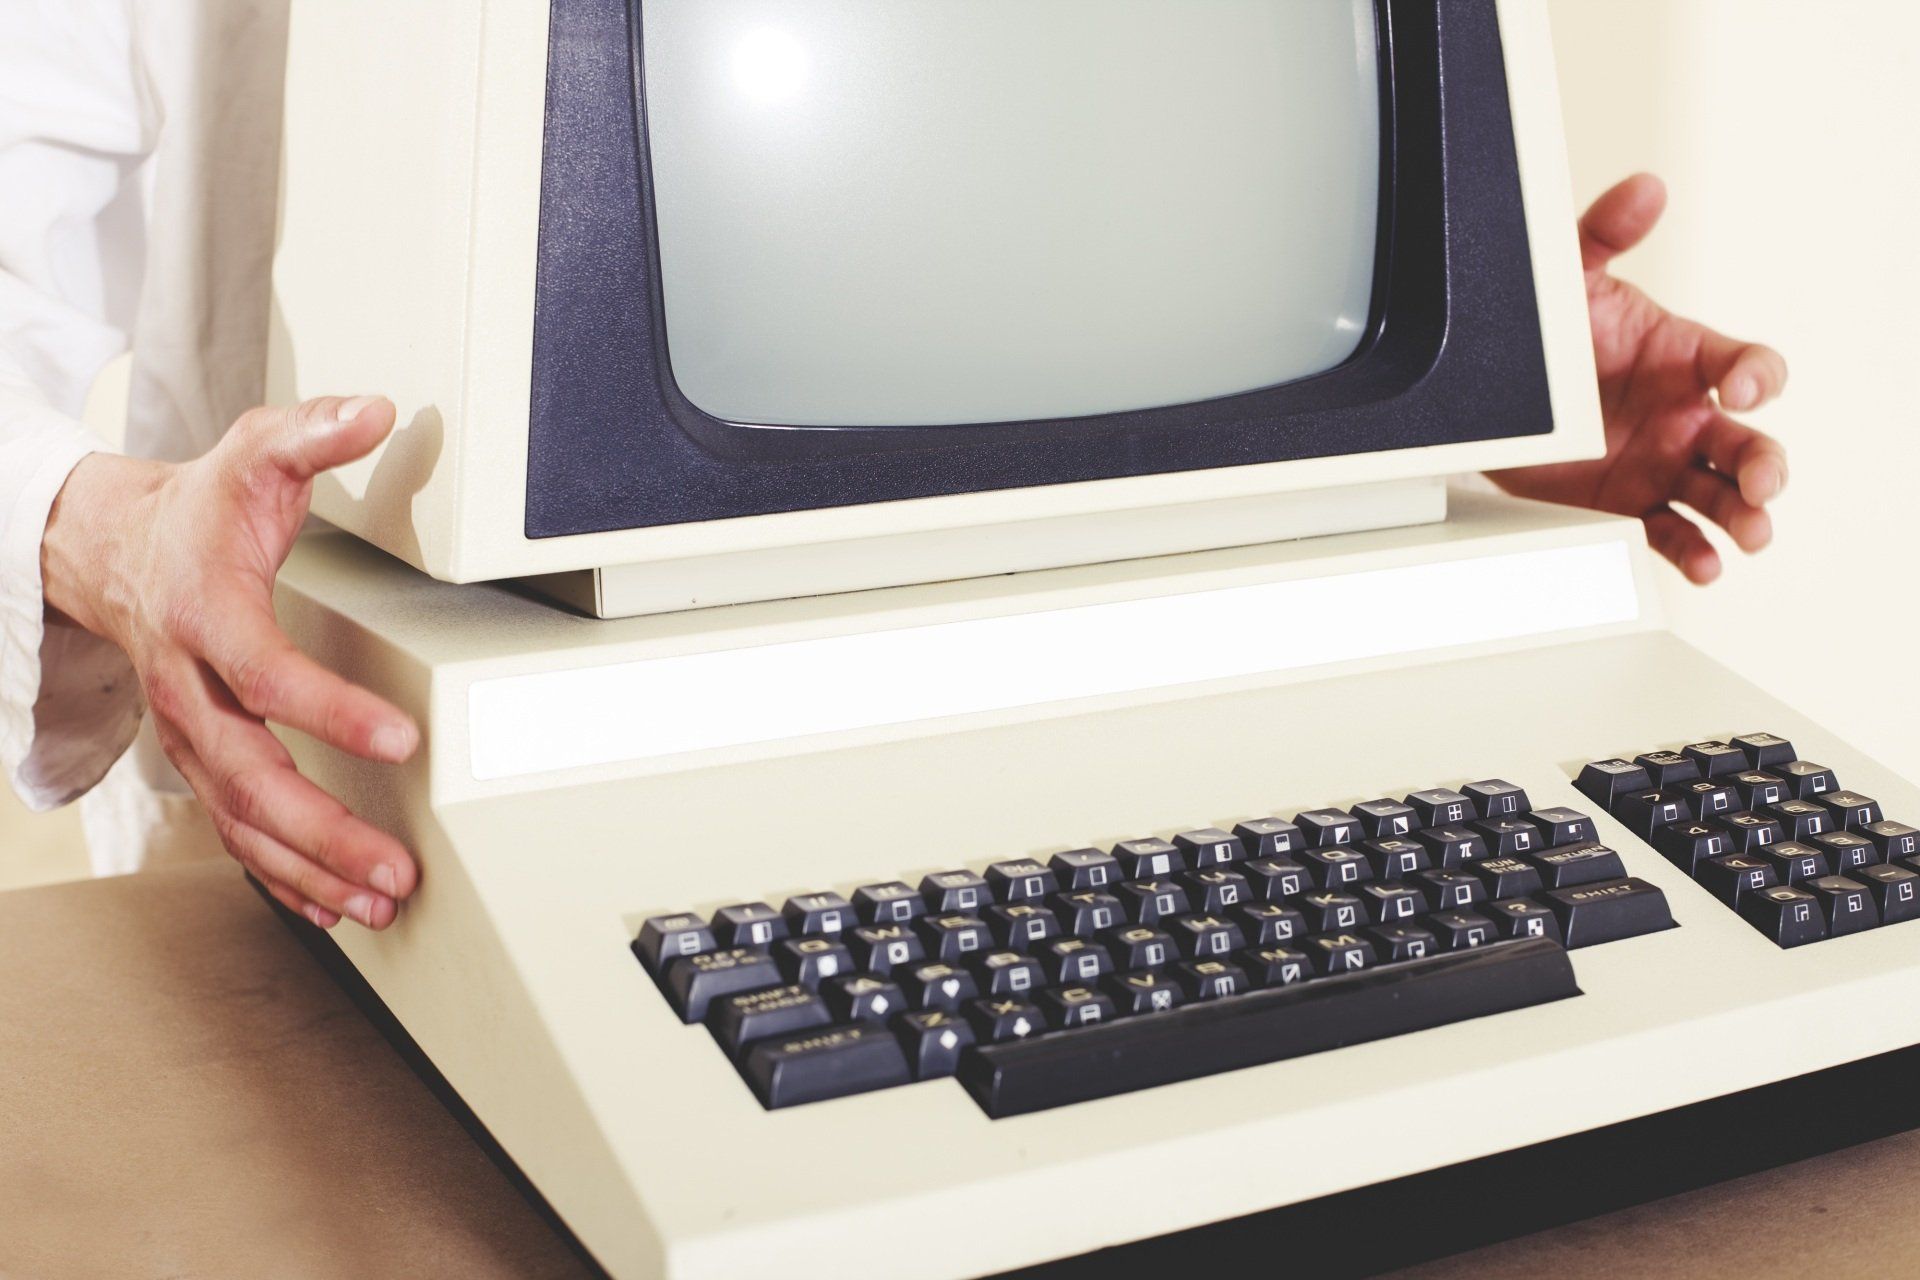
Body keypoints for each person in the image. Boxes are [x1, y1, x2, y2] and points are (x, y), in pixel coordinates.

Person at [1, 3, 1789, 932]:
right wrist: (103, 529)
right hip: (372, 830)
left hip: (1095, 793)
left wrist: (1488, 368)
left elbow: (1067, 161)